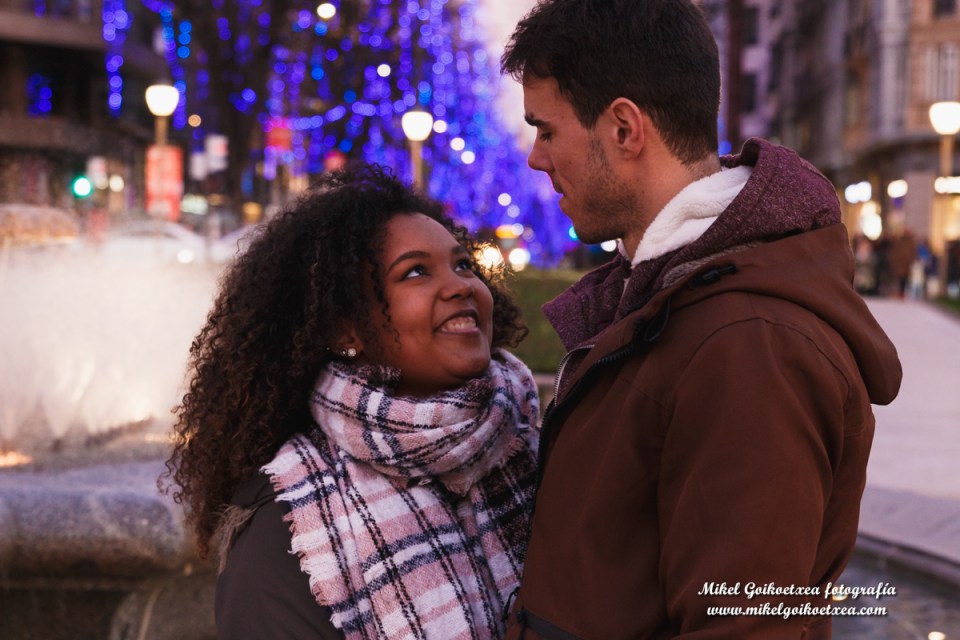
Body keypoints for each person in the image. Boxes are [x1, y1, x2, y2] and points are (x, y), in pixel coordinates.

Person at [499, 1, 902, 638]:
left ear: (624, 129)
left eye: (546, 131)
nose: (536, 158)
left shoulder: (750, 345)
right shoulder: (669, 292)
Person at [162, 164, 540, 639]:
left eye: (463, 264)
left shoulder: (533, 445)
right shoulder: (290, 529)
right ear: (345, 328)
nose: (462, 285)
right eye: (416, 272)